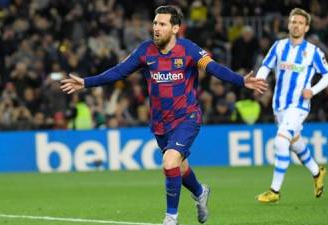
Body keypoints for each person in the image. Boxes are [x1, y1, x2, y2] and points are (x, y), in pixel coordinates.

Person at [60, 5, 267, 225]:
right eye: (155, 23)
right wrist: (86, 82)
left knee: (169, 163)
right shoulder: (145, 51)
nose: (156, 28)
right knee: (180, 167)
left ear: (175, 28)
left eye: (162, 24)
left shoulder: (189, 50)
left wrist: (241, 80)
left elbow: (213, 67)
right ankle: (200, 191)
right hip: (161, 123)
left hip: (187, 117)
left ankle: (171, 218)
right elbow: (118, 72)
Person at [255, 8, 328, 203]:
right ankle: (317, 172)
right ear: (289, 24)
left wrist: (313, 91)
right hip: (279, 105)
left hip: (298, 105)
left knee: (281, 141)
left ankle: (275, 191)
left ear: (306, 27)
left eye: (300, 22)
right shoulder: (279, 46)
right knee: (294, 142)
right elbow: (266, 66)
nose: (296, 25)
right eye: (293, 22)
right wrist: (259, 80)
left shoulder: (313, 52)